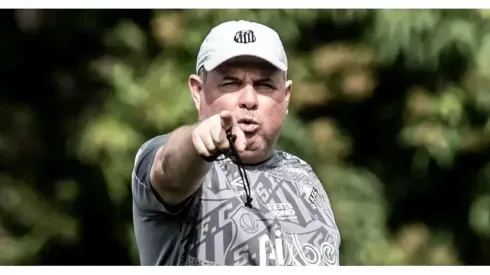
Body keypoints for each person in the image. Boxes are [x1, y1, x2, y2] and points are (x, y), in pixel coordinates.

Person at [131, 19, 341, 266]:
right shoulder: (184, 165)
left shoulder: (304, 178)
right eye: (231, 83)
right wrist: (197, 141)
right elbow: (169, 169)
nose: (249, 99)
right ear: (197, 91)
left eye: (264, 85)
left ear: (285, 97)